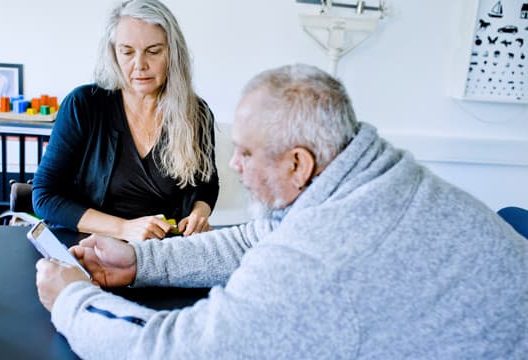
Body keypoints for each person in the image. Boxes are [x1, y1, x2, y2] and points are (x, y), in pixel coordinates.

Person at [35, 64, 528, 359]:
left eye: (246, 153)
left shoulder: (329, 256)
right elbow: (259, 238)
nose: (233, 163)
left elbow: (177, 350)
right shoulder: (366, 174)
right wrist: (140, 262)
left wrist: (72, 300)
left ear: (298, 163)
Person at [32, 0, 219, 241]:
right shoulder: (83, 105)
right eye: (127, 52)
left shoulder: (197, 113)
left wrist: (199, 212)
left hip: (162, 253)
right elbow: (45, 196)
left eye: (153, 51)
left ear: (172, 53)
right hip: (87, 246)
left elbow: (207, 183)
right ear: (113, 53)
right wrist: (123, 228)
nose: (140, 65)